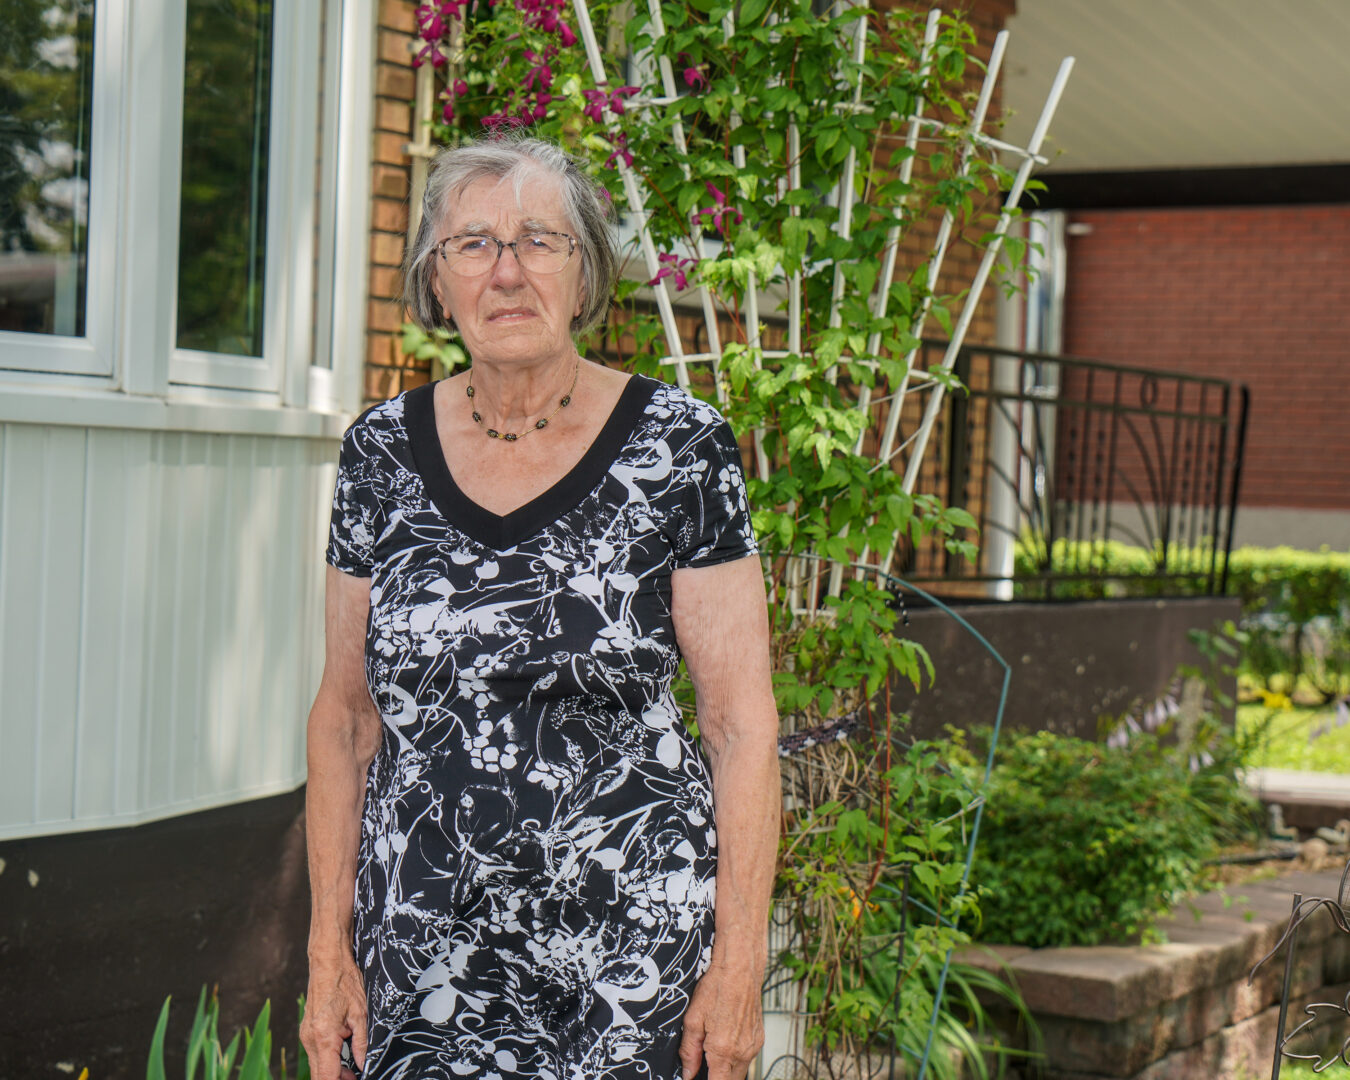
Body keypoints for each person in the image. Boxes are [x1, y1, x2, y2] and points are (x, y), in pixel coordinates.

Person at [300, 135, 781, 1080]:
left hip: (628, 964)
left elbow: (739, 724)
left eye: (539, 242)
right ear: (436, 283)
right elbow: (346, 718)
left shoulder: (679, 448)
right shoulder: (380, 454)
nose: (507, 272)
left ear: (587, 272)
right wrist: (328, 952)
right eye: (472, 245)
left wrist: (740, 965)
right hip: (424, 958)